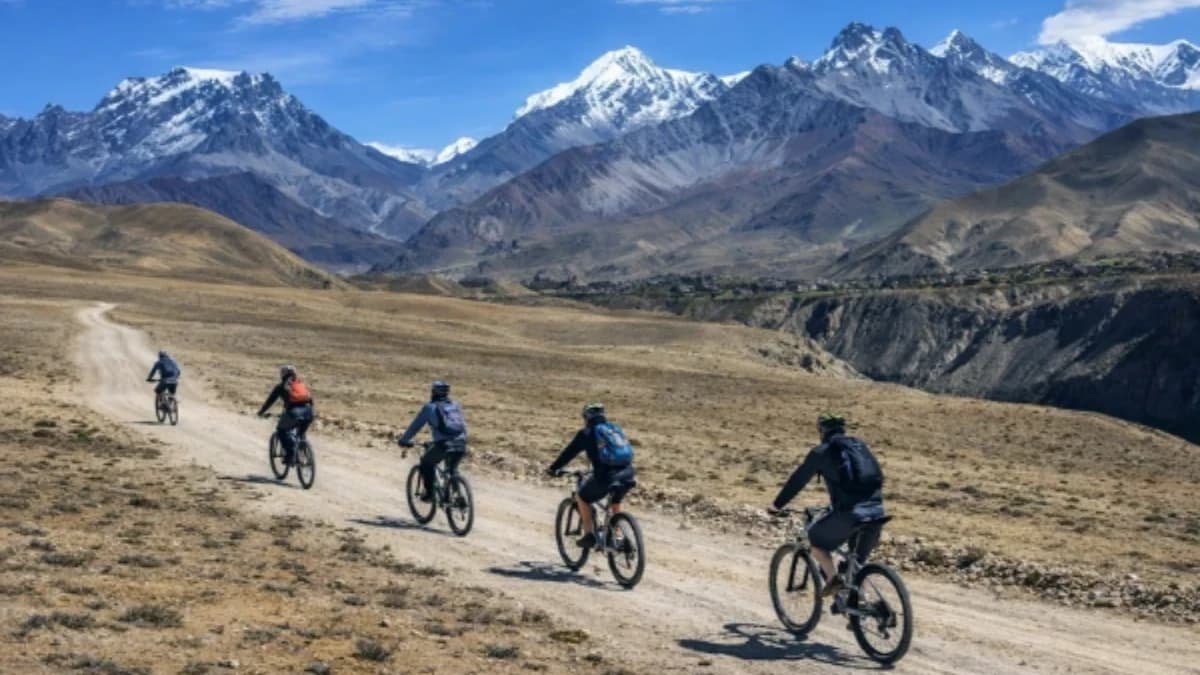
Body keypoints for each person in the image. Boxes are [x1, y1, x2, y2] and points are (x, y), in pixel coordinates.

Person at [768, 413, 886, 598]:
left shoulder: (821, 452)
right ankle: (862, 606)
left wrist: (776, 505)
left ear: (822, 430)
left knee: (816, 540)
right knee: (856, 565)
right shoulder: (859, 447)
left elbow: (797, 481)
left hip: (850, 514)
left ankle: (833, 580)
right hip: (877, 512)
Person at [547, 402, 637, 549]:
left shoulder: (586, 433)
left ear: (586, 417)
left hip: (607, 476)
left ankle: (589, 535)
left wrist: (553, 469)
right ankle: (620, 537)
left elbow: (568, 453)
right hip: (628, 474)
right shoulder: (614, 429)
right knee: (615, 503)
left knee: (582, 497)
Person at [397, 380, 468, 502]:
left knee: (426, 463)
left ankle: (430, 494)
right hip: (461, 443)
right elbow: (462, 425)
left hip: (444, 445)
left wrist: (404, 440)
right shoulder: (455, 405)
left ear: (433, 392)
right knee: (452, 468)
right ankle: (457, 495)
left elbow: (416, 426)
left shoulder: (430, 407)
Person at [256, 365, 314, 465]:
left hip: (294, 413)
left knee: (281, 430)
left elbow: (270, 401)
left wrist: (261, 412)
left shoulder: (281, 386)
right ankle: (303, 452)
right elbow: (310, 400)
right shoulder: (300, 384)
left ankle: (290, 456)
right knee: (300, 432)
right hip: (309, 412)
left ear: (282, 375)